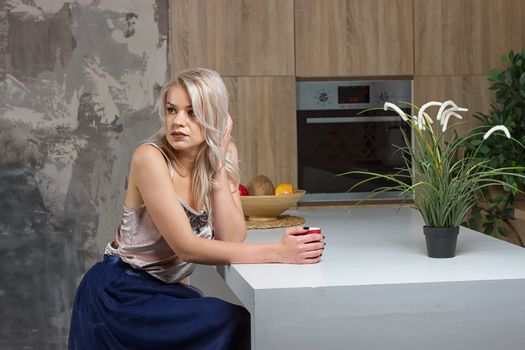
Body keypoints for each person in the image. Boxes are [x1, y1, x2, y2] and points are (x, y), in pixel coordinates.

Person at [68, 67, 325, 350]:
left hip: (164, 293)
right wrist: (278, 252)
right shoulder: (149, 158)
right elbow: (186, 248)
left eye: (192, 112)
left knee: (243, 323)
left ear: (215, 117)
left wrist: (217, 168)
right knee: (234, 322)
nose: (178, 121)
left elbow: (231, 238)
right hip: (120, 296)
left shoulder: (221, 156)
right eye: (171, 110)